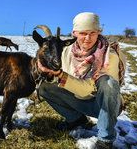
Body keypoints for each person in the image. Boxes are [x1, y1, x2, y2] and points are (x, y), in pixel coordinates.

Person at [37, 12, 126, 149]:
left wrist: (61, 75)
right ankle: (76, 119)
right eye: (83, 33)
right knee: (44, 88)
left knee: (108, 83)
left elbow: (86, 90)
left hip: (104, 104)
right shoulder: (66, 51)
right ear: (74, 33)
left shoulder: (109, 56)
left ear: (99, 32)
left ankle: (105, 139)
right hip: (79, 100)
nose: (88, 38)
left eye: (93, 33)